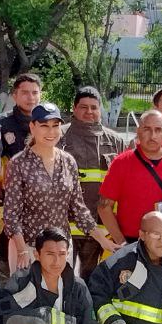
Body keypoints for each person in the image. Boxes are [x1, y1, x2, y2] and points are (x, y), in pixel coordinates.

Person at [3, 102, 118, 272]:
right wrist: (22, 250)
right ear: (32, 127)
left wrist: (104, 241)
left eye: (55, 126)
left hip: (60, 249)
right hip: (29, 249)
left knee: (60, 297)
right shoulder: (18, 163)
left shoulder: (68, 161)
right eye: (44, 126)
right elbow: (11, 215)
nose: (51, 132)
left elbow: (79, 210)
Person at [59, 86, 127, 279]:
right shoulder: (59, 137)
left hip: (100, 228)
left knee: (93, 279)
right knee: (61, 279)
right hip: (64, 226)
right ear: (74, 108)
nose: (89, 112)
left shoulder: (115, 141)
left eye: (94, 107)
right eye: (83, 107)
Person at [97, 110, 162, 244]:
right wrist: (122, 243)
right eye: (147, 129)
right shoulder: (121, 163)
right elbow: (104, 207)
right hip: (131, 242)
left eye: (158, 130)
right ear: (138, 131)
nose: (153, 135)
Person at [0, 73, 41, 161]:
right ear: (15, 96)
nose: (31, 98)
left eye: (35, 93)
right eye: (25, 93)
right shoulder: (0, 123)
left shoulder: (48, 123)